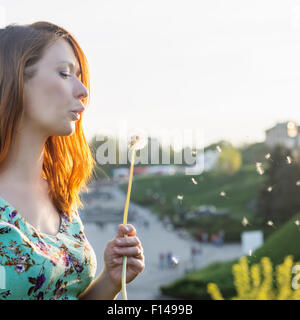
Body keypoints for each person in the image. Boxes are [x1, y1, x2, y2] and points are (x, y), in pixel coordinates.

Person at [0, 21, 144, 300]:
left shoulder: (60, 199)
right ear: (15, 79)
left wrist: (110, 281)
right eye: (65, 73)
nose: (83, 91)